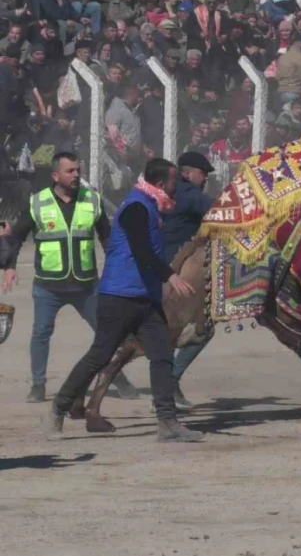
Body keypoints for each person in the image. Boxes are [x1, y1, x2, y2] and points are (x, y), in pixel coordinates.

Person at [45, 159, 203, 443]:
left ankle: (167, 422)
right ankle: (59, 406)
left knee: (162, 355)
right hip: (118, 297)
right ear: (159, 184)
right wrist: (172, 277)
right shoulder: (135, 208)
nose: (176, 188)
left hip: (146, 300)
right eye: (172, 182)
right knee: (99, 356)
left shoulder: (153, 206)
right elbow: (142, 251)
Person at [2, 152, 139, 403]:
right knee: (41, 333)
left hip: (86, 285)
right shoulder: (37, 203)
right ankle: (38, 385)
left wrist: (118, 265)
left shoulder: (92, 200)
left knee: (106, 334)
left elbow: (106, 238)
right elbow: (18, 236)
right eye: (70, 171)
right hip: (48, 286)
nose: (76, 175)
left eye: (78, 170)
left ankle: (116, 379)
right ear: (55, 175)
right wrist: (10, 266)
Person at [162, 151, 216, 407]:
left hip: (155, 268)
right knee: (202, 329)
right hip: (177, 274)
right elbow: (220, 214)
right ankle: (169, 383)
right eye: (203, 174)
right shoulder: (191, 194)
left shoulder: (166, 190)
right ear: (189, 173)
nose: (205, 179)